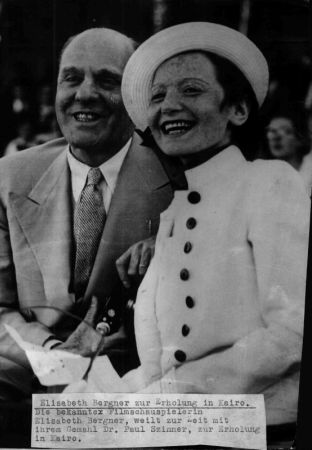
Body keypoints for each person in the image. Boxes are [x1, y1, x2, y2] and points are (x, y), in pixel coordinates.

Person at [74, 22, 310, 428]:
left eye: (191, 90)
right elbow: (158, 368)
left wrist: (168, 396)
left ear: (236, 110)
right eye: (158, 95)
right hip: (184, 423)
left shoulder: (268, 182)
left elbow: (293, 330)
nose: (168, 106)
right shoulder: (171, 215)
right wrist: (88, 394)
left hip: (263, 427)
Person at [0, 27, 177, 400]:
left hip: (138, 377)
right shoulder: (6, 178)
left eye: (106, 80)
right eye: (71, 78)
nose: (84, 94)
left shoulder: (177, 176)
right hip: (35, 367)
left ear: (138, 95)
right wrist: (56, 356)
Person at [265, 112, 311, 192]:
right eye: (272, 131)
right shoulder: (264, 174)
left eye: (287, 131)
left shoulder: (309, 173)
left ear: (300, 139)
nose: (276, 137)